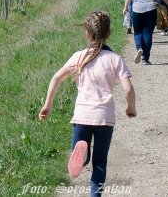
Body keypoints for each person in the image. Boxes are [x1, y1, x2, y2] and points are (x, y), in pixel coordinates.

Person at [39, 12, 136, 197]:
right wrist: (131, 108)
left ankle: (81, 157)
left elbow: (56, 78)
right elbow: (128, 89)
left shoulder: (79, 57)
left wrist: (48, 105)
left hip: (82, 116)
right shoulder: (115, 59)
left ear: (87, 33)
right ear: (109, 33)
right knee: (99, 162)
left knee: (81, 156)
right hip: (104, 118)